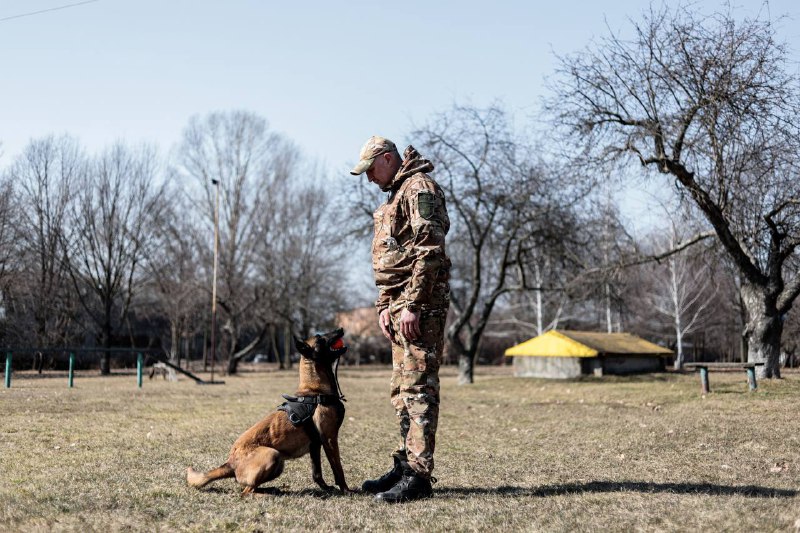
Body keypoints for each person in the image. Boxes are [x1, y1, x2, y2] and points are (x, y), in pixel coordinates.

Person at [350, 136, 451, 503]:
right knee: (402, 391)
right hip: (397, 305)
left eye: (370, 169)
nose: (368, 178)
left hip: (419, 307)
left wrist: (413, 304)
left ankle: (419, 477)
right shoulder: (396, 192)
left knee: (419, 388)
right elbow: (390, 257)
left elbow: (429, 250)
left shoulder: (419, 188)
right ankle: (405, 465)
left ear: (387, 158)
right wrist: (383, 305)